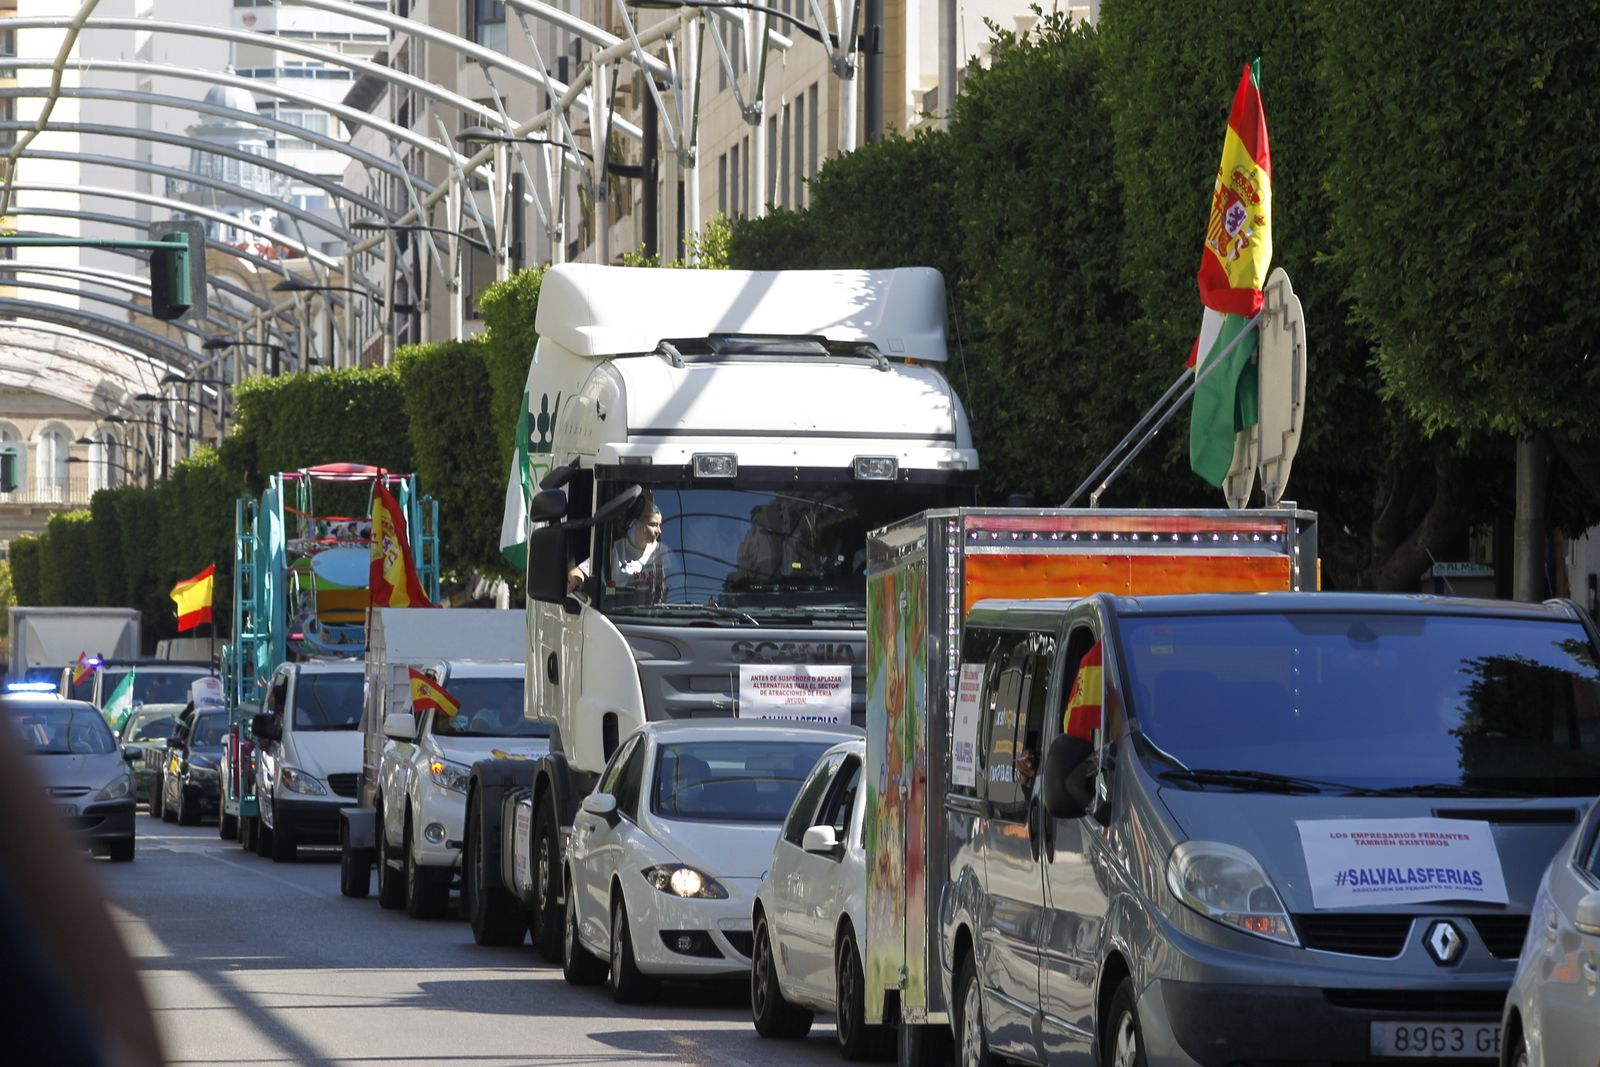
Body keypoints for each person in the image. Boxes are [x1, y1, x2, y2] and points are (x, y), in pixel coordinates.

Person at [567, 489, 670, 596]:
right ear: (636, 524)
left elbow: (677, 583)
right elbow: (578, 572)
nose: (659, 531)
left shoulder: (663, 552)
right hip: (617, 608)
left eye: (660, 525)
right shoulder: (615, 550)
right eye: (653, 525)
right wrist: (577, 580)